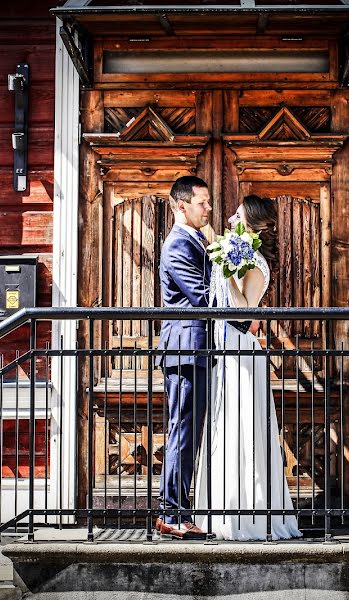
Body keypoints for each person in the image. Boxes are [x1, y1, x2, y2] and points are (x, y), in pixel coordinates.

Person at [194, 194, 303, 541]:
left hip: (240, 351)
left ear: (253, 223)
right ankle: (219, 509)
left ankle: (247, 516)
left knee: (242, 429)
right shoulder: (239, 253)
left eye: (236, 215)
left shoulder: (254, 263)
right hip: (224, 349)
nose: (229, 220)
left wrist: (227, 274)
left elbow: (243, 311)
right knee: (224, 428)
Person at [155, 175, 212, 540]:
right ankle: (171, 514)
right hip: (184, 350)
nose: (208, 208)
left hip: (197, 349)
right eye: (202, 202)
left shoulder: (197, 240)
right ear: (181, 205)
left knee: (190, 433)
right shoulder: (177, 245)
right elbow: (202, 297)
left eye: (208, 202)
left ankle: (181, 510)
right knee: (182, 432)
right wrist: (245, 312)